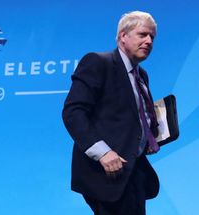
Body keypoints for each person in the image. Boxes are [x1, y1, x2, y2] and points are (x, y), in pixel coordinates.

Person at [62, 11, 160, 215]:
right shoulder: (98, 62)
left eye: (152, 37)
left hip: (133, 172)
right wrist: (103, 152)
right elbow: (73, 111)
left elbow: (132, 117)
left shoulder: (142, 75)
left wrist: (149, 137)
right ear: (123, 36)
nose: (149, 41)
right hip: (106, 173)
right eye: (143, 34)